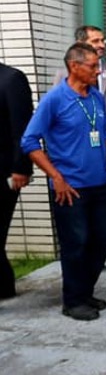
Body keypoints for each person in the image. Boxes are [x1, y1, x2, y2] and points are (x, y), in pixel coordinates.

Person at [21, 43, 106, 320]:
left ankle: (85, 292)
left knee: (100, 240)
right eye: (92, 66)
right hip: (71, 187)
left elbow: (100, 131)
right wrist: (56, 176)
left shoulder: (95, 97)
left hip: (100, 183)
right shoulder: (54, 99)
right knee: (76, 243)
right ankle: (73, 301)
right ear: (74, 66)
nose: (97, 70)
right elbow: (30, 142)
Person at [54, 25, 106, 277]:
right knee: (84, 207)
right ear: (82, 46)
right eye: (96, 40)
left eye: (103, 40)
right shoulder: (62, 76)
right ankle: (92, 258)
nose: (102, 44)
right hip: (79, 154)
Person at [0, 61, 33, 302]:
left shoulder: (11, 79)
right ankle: (4, 286)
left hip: (5, 173)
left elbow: (23, 129)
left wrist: (21, 168)